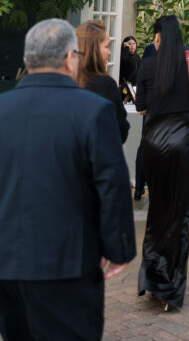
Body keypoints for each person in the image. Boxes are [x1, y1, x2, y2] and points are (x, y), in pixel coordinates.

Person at [0, 18, 135, 341]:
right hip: (67, 264)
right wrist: (118, 248)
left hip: (6, 263)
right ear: (68, 58)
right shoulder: (92, 110)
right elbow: (112, 182)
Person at [135, 14, 189, 310]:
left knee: (157, 212)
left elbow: (140, 107)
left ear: (157, 37)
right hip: (181, 143)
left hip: (153, 142)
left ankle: (152, 280)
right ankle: (171, 289)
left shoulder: (148, 64)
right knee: (178, 215)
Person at [75, 20, 129, 143]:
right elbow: (121, 131)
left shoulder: (66, 81)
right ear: (93, 49)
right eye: (106, 46)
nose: (109, 52)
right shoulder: (105, 85)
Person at [119, 35, 141, 103]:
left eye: (134, 44)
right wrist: (125, 49)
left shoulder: (137, 57)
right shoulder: (124, 56)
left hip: (135, 87)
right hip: (126, 87)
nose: (132, 46)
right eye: (129, 44)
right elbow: (124, 60)